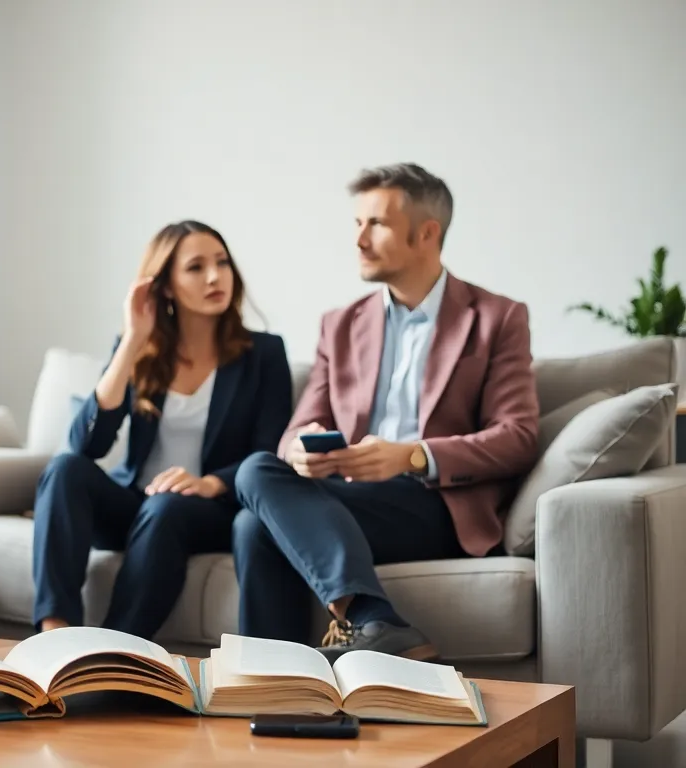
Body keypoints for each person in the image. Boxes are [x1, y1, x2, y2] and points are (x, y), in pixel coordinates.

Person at [230, 163, 540, 661]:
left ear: (426, 233)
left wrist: (412, 456)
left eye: (375, 224)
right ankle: (345, 641)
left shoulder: (496, 318)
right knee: (254, 505)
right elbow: (295, 431)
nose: (359, 240)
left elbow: (518, 436)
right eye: (356, 224)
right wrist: (302, 453)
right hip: (347, 501)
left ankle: (286, 670)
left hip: (435, 505)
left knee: (253, 510)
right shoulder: (341, 324)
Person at [32, 220, 293, 640]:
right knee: (64, 470)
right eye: (195, 267)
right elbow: (86, 445)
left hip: (210, 509)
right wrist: (133, 340)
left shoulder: (264, 353)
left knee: (167, 505)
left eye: (222, 263)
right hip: (137, 504)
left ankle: (115, 650)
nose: (215, 276)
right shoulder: (140, 349)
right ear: (165, 286)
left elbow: (270, 451)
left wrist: (209, 483)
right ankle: (54, 635)